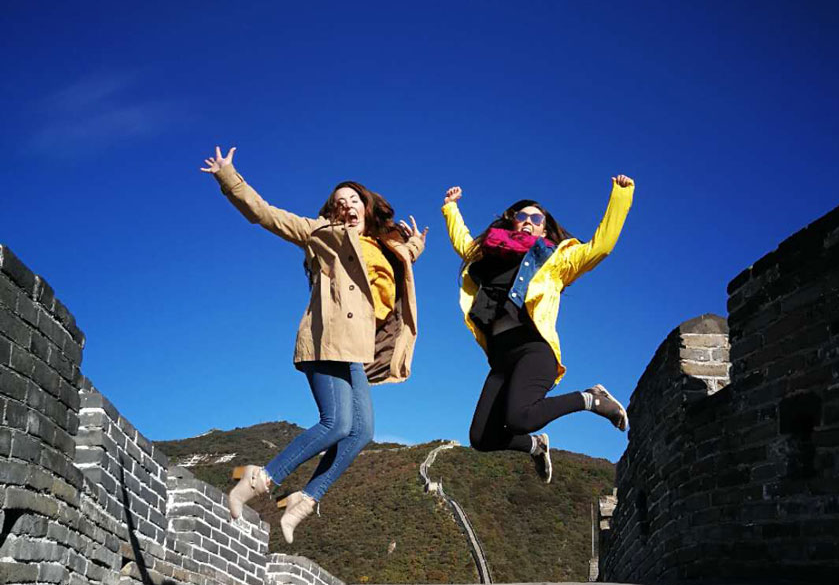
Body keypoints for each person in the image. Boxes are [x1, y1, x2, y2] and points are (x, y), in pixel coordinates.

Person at [201, 146, 426, 541]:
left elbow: (395, 267)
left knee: (361, 433)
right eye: (340, 202)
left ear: (367, 206)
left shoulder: (382, 246)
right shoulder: (322, 236)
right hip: (326, 340)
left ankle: (303, 500)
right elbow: (265, 214)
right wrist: (228, 177)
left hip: (355, 351)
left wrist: (414, 247)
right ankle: (259, 479)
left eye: (355, 199)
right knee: (336, 423)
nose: (348, 205)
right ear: (333, 211)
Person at [442, 175, 634, 484]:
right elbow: (463, 244)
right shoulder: (488, 257)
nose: (528, 221)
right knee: (481, 437)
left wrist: (621, 196)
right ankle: (536, 446)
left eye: (536, 218)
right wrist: (451, 209)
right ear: (512, 222)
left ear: (544, 228)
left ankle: (592, 398)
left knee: (519, 417)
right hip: (501, 358)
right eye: (522, 216)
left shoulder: (556, 261)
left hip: (534, 349)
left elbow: (601, 247)